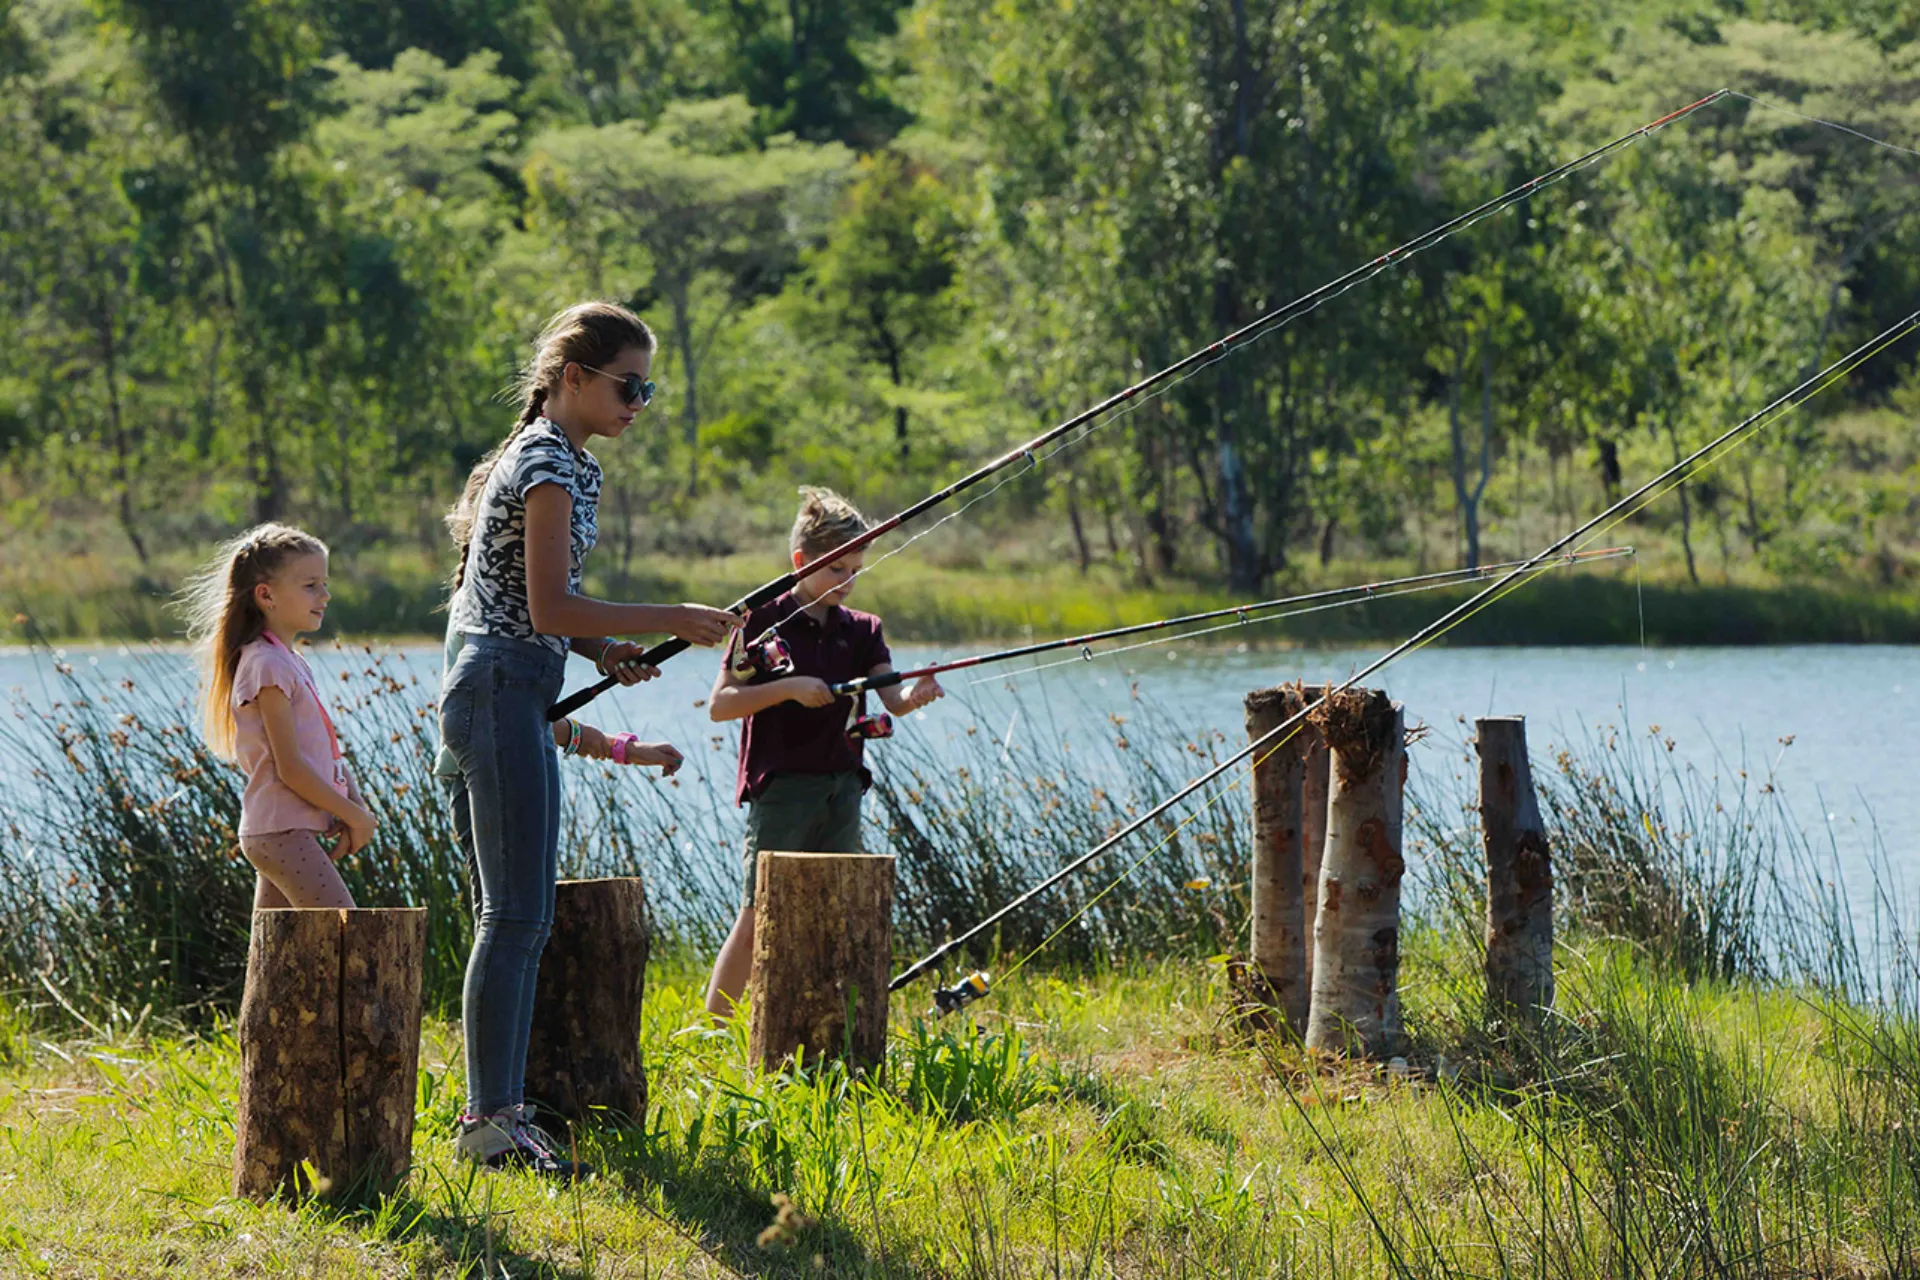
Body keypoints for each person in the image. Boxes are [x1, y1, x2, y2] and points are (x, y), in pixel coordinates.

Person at [439, 301, 737, 1177]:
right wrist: (671, 615)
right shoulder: (542, 458)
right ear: (573, 377)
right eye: (628, 385)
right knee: (514, 915)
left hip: (519, 686)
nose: (640, 403)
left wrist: (603, 650)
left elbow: (541, 610)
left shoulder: (576, 464)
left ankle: (502, 1112)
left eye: (649, 389)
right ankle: (489, 1122)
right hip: (498, 687)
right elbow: (546, 606)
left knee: (523, 916)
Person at [702, 486, 943, 1020]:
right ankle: (715, 1029)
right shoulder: (760, 619)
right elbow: (721, 705)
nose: (847, 581)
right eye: (836, 569)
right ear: (800, 562)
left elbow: (894, 699)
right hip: (781, 789)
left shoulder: (864, 629)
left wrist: (917, 693)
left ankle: (821, 1025)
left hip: (843, 785)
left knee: (836, 910)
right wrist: (790, 688)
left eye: (856, 570)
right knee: (758, 913)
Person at [182, 523, 375, 911]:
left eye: (324, 583)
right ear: (266, 595)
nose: (325, 595)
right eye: (310, 586)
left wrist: (355, 805)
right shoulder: (267, 665)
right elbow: (291, 769)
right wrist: (354, 816)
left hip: (284, 831)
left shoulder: (288, 662)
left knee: (278, 947)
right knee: (346, 933)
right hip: (280, 833)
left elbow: (323, 751)